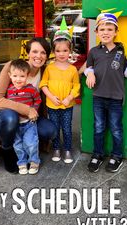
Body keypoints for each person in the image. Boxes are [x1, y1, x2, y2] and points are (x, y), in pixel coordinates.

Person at [0, 38, 57, 173]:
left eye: (43, 53)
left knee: (50, 130)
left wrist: (90, 69)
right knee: (11, 118)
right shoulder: (14, 66)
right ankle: (7, 150)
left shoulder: (45, 70)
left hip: (30, 117)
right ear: (27, 53)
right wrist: (26, 109)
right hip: (7, 115)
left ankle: (25, 145)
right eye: (34, 51)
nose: (38, 56)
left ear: (47, 56)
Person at [85, 12, 127, 173]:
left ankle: (117, 155)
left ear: (116, 32)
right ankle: (98, 154)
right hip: (98, 97)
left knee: (116, 128)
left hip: (116, 98)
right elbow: (88, 67)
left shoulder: (122, 50)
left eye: (109, 29)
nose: (105, 32)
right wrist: (90, 73)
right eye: (102, 29)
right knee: (99, 127)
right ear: (96, 32)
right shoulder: (94, 51)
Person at [39, 22, 80, 164]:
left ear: (70, 51)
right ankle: (56, 148)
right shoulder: (49, 68)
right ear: (53, 51)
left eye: (65, 50)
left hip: (67, 105)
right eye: (58, 51)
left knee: (67, 128)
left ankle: (67, 149)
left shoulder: (73, 69)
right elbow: (43, 84)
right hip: (52, 104)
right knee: (55, 127)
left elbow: (76, 86)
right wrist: (51, 96)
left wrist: (69, 98)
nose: (61, 54)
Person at [6, 59, 41, 175]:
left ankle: (34, 162)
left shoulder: (31, 89)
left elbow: (38, 100)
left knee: (31, 143)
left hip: (29, 123)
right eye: (15, 76)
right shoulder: (9, 90)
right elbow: (5, 103)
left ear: (27, 76)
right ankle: (22, 163)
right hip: (16, 124)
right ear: (9, 75)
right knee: (18, 144)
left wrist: (34, 111)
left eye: (22, 76)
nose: (18, 79)